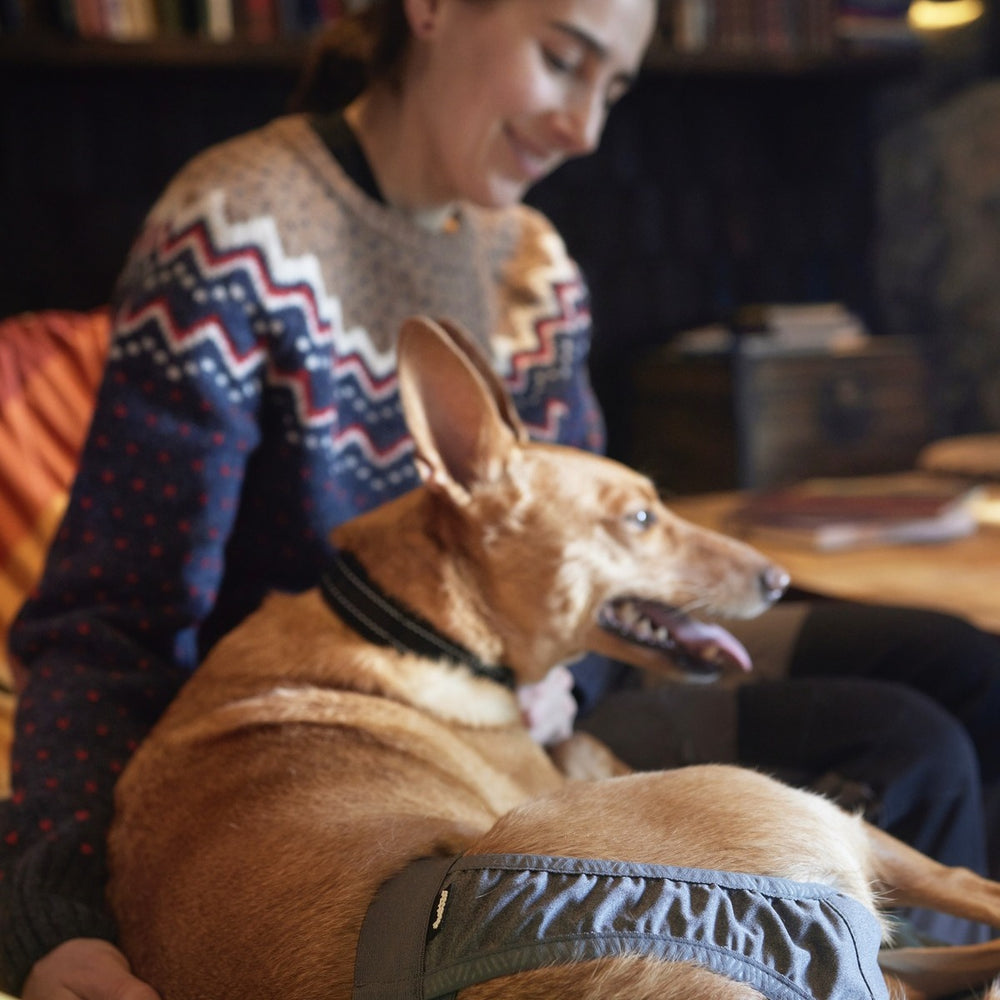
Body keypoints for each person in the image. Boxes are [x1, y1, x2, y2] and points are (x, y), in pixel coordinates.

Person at [1, 0, 998, 996]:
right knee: (907, 743)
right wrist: (56, 918)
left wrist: (575, 674)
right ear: (429, 11)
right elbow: (105, 624)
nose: (586, 127)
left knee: (961, 658)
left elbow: (601, 544)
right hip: (366, 728)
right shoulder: (232, 228)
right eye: (564, 60)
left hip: (568, 670)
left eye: (612, 87)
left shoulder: (532, 261)